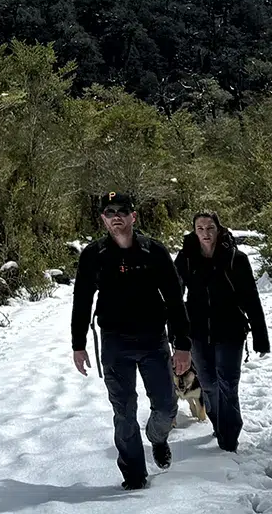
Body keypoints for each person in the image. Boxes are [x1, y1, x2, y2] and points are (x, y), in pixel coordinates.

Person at [71, 191, 192, 490]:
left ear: (133, 216)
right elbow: (82, 300)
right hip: (114, 344)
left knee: (166, 407)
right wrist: (78, 343)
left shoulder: (154, 252)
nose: (116, 216)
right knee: (124, 411)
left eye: (122, 211)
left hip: (153, 341)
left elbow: (176, 299)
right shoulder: (94, 255)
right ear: (102, 219)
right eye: (109, 211)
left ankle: (157, 438)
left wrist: (183, 345)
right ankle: (134, 476)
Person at [176, 211, 269, 453]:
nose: (205, 233)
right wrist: (175, 333)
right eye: (200, 229)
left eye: (210, 228)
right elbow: (174, 296)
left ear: (218, 229)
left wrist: (260, 335)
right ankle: (219, 424)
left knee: (228, 383)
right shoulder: (186, 258)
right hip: (196, 331)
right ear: (194, 231)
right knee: (207, 384)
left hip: (230, 330)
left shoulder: (235, 259)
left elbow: (251, 297)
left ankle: (229, 437)